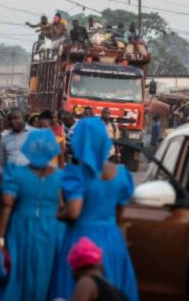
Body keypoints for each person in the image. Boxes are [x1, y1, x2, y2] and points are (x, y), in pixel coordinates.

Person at [51, 117, 138, 301]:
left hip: (80, 241)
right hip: (112, 240)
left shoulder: (76, 174)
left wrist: (60, 214)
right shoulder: (122, 175)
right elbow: (120, 214)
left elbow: (74, 212)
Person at [0, 129, 64, 301]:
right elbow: (62, 206)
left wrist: (0, 237)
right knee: (46, 273)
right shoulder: (61, 177)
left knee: (19, 271)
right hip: (52, 231)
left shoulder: (15, 173)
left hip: (20, 228)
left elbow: (6, 205)